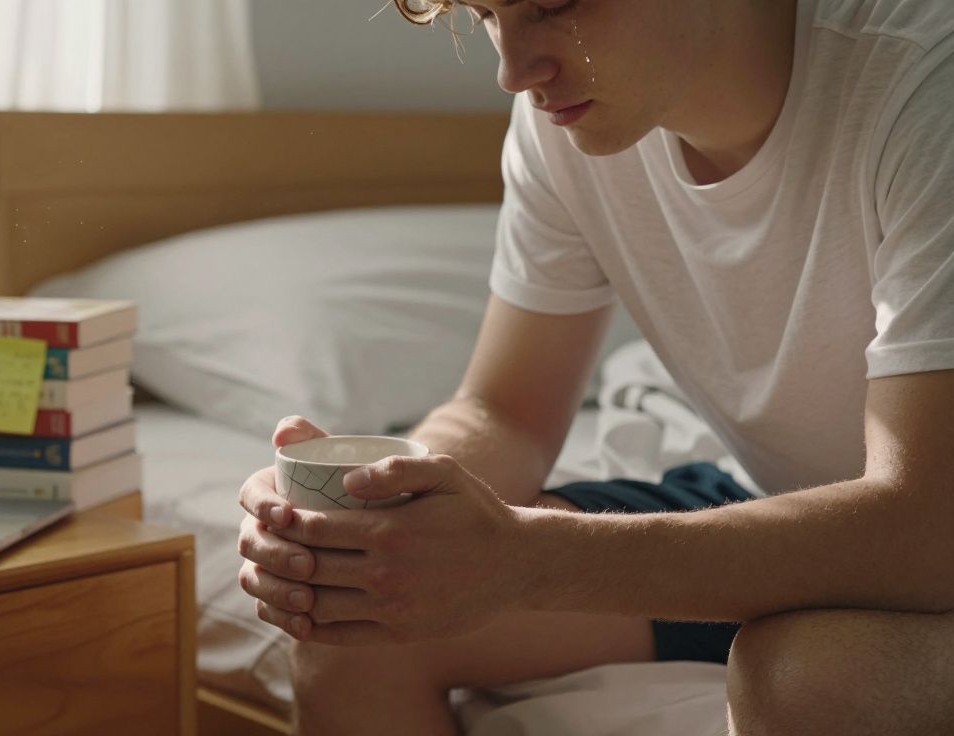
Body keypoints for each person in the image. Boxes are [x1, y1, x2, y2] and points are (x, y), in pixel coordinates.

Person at [236, 0, 954, 733]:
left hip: (924, 537)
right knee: (362, 636)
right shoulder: (566, 123)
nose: (513, 71)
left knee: (801, 678)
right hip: (788, 508)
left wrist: (529, 559)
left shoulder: (925, 80)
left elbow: (929, 528)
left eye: (554, 5)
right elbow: (505, 415)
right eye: (488, 13)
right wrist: (370, 518)